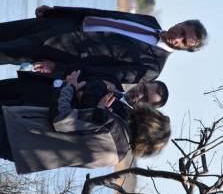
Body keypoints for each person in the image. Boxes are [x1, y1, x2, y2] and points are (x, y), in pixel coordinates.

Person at [0, 72, 171, 174]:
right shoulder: (117, 156)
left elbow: (60, 119)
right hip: (26, 155)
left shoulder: (111, 122)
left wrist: (70, 86)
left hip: (19, 128)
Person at [0, 5, 208, 83]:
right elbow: (106, 14)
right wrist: (57, 12)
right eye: (182, 31)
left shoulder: (151, 68)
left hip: (58, 49)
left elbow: (100, 73)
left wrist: (58, 69)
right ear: (181, 23)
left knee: (4, 52)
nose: (178, 38)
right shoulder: (150, 21)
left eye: (184, 42)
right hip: (63, 23)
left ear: (185, 49)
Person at [0, 70, 169, 119]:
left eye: (145, 98)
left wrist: (78, 89)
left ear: (148, 108)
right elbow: (81, 70)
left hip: (34, 110)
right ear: (142, 82)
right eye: (143, 88)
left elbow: (86, 115)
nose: (139, 94)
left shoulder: (119, 118)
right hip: (35, 86)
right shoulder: (113, 79)